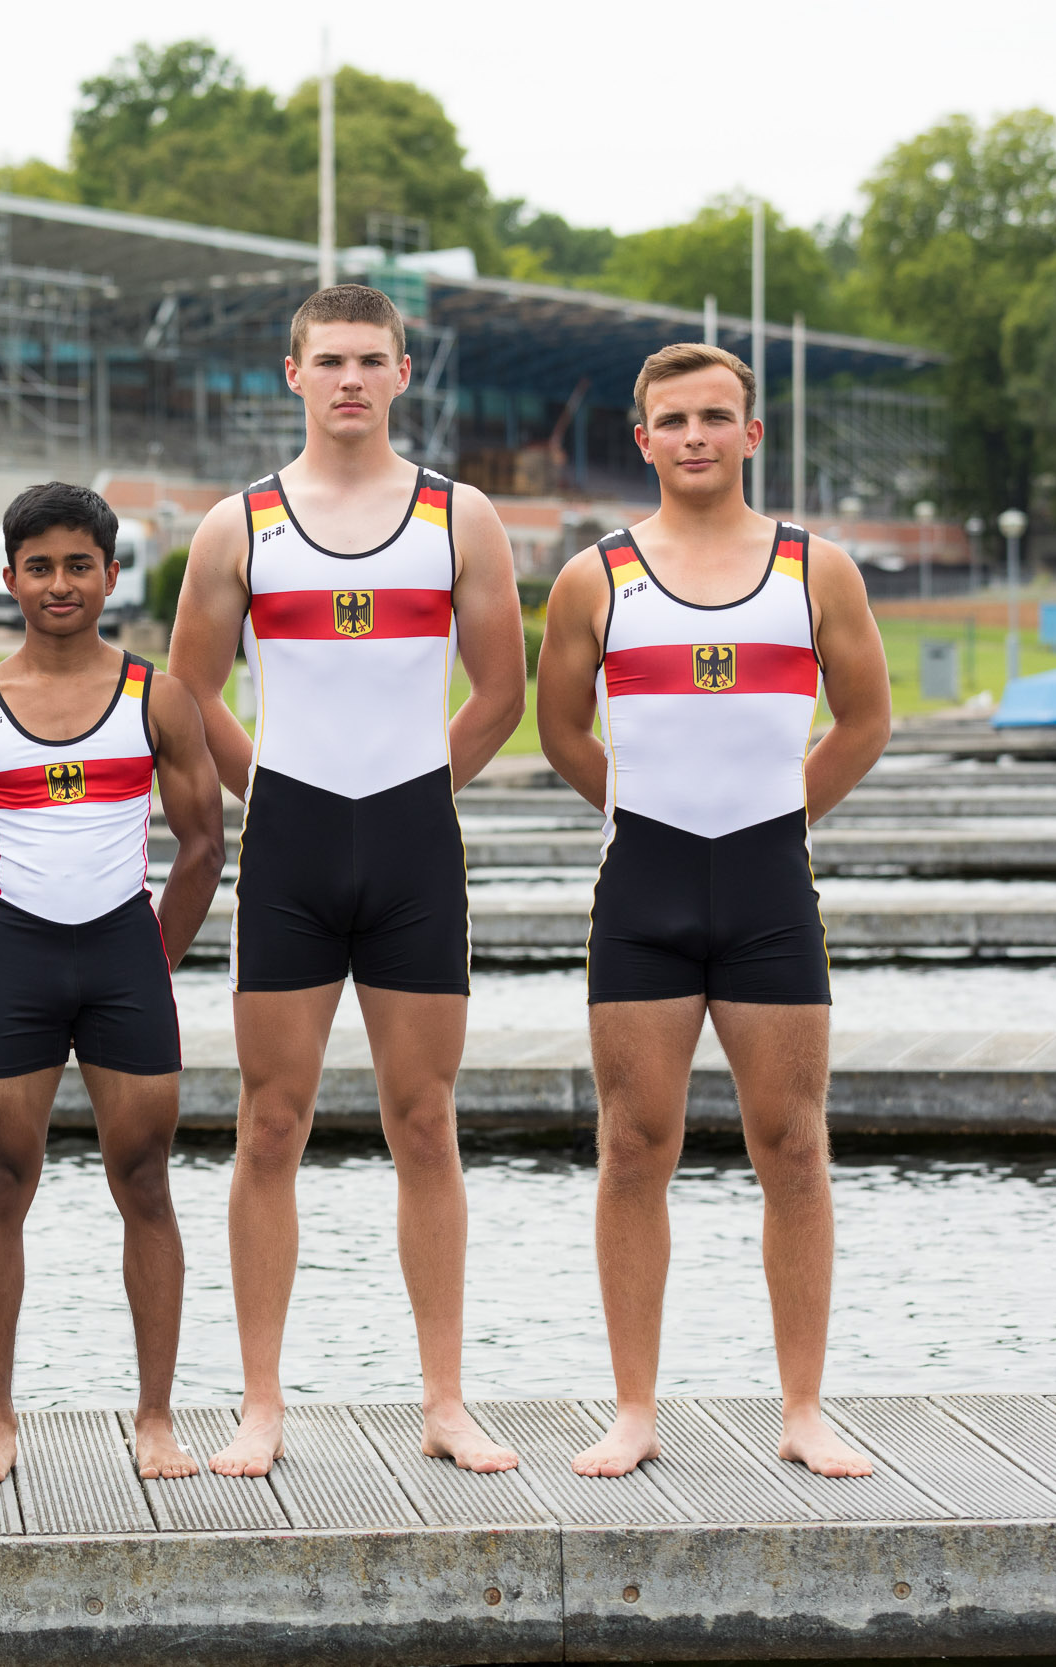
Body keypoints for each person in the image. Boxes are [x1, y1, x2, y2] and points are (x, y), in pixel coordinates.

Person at [168, 284, 529, 1478]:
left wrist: (424, 787)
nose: (350, 380)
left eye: (370, 360)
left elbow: (497, 692)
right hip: (292, 844)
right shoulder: (240, 525)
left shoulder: (457, 516)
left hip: (412, 845)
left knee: (424, 1121)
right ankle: (260, 1402)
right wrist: (264, 789)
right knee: (270, 1123)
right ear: (293, 373)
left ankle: (443, 1397)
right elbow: (189, 691)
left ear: (403, 373)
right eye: (329, 360)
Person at [536, 342, 887, 1479]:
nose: (695, 434)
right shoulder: (597, 576)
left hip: (767, 886)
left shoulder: (814, 568)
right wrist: (643, 813)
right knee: (634, 1145)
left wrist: (778, 817)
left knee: (791, 1143)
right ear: (642, 439)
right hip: (641, 886)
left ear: (752, 433)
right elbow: (561, 732)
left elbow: (865, 717)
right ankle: (633, 1408)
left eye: (715, 416)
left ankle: (801, 1407)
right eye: (673, 419)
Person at [0, 483, 225, 1484]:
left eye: (78, 564)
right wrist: (2, 946)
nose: (59, 583)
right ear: (10, 578)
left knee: (142, 1179)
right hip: (18, 961)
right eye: (39, 566)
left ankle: (154, 1419)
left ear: (108, 573)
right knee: (0, 1182)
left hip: (121, 960)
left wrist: (148, 957)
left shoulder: (156, 698)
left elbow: (200, 846)